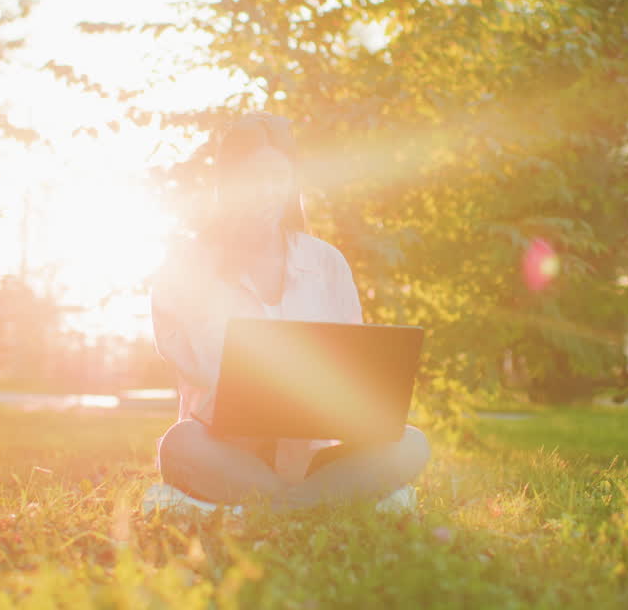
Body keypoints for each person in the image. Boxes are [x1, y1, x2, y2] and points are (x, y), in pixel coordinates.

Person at [147, 112, 430, 513]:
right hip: (228, 454)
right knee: (179, 445)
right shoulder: (187, 267)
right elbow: (201, 377)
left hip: (313, 458)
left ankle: (252, 511)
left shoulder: (327, 263)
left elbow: (351, 365)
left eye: (277, 179)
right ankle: (332, 505)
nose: (265, 193)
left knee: (411, 444)